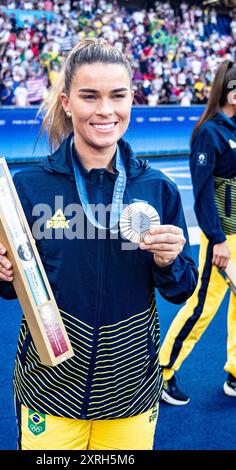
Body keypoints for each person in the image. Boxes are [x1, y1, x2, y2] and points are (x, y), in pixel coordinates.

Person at [0, 38, 197, 450]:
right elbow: (8, 286)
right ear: (66, 102)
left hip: (131, 392)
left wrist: (170, 262)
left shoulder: (158, 188)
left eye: (117, 96)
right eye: (89, 96)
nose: (105, 110)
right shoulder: (28, 187)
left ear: (132, 99)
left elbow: (181, 288)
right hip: (49, 390)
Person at [160, 60, 236, 406]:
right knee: (202, 306)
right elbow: (204, 192)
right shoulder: (210, 132)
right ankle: (162, 372)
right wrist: (217, 238)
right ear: (231, 93)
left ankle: (235, 374)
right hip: (222, 238)